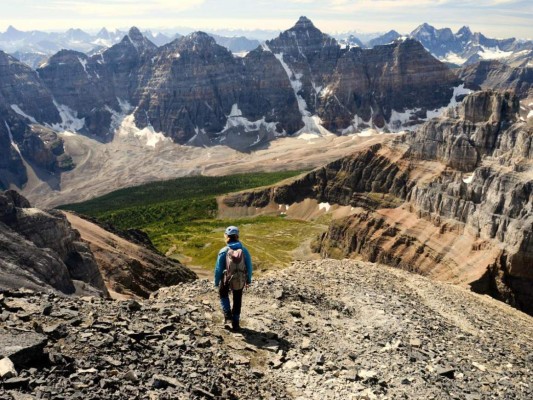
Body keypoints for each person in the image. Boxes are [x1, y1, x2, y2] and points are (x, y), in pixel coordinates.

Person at [214, 225, 252, 331]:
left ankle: (228, 317)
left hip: (226, 279)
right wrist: (248, 280)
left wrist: (217, 282)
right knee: (237, 298)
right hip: (239, 279)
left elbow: (218, 269)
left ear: (227, 236)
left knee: (223, 294)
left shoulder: (223, 251)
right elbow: (249, 266)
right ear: (237, 236)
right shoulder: (244, 250)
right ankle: (236, 323)